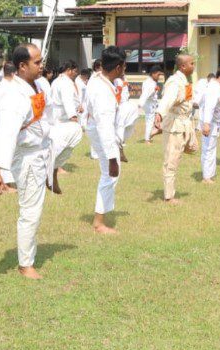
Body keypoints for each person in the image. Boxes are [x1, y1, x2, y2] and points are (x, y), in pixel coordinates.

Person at [0, 43, 55, 280]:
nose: (41, 66)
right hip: (27, 157)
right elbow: (6, 133)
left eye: (40, 61)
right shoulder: (14, 96)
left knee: (73, 131)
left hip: (40, 151)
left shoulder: (34, 86)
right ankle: (25, 264)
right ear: (22, 66)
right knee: (30, 212)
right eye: (37, 62)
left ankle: (26, 260)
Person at [85, 46, 127, 234]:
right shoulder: (102, 90)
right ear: (118, 67)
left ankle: (100, 220)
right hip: (101, 133)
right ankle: (99, 223)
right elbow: (104, 127)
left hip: (99, 129)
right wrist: (112, 158)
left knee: (110, 176)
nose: (125, 70)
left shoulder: (99, 79)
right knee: (110, 175)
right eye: (124, 66)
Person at [154, 54, 196, 204]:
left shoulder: (185, 81)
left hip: (184, 123)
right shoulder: (174, 82)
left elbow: (185, 99)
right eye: (191, 63)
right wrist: (160, 113)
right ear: (183, 66)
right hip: (175, 125)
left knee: (188, 151)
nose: (194, 65)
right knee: (171, 161)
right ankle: (169, 196)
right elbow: (167, 100)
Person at [48, 59, 84, 194]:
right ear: (69, 70)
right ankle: (48, 169)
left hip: (62, 117)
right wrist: (73, 117)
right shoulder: (64, 83)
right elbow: (67, 101)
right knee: (61, 145)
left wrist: (78, 107)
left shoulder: (61, 81)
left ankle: (54, 172)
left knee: (63, 146)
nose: (76, 74)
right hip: (63, 119)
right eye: (75, 71)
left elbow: (71, 100)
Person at [198, 65, 220, 184]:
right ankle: (206, 177)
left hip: (214, 122)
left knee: (211, 148)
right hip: (210, 123)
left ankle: (209, 174)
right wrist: (207, 124)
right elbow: (209, 107)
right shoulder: (214, 88)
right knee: (208, 149)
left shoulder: (215, 86)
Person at [0, 61, 17, 190]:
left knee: (11, 153)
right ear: (13, 73)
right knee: (4, 154)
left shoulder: (11, 87)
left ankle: (10, 181)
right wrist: (3, 123)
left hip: (12, 124)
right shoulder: (0, 88)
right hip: (3, 125)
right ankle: (5, 184)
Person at [140, 65, 163, 144]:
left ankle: (151, 134)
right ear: (153, 73)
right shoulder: (149, 83)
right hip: (149, 104)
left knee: (156, 120)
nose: (159, 76)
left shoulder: (152, 82)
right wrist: (139, 104)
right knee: (149, 121)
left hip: (153, 104)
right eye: (158, 75)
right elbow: (145, 94)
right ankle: (147, 139)